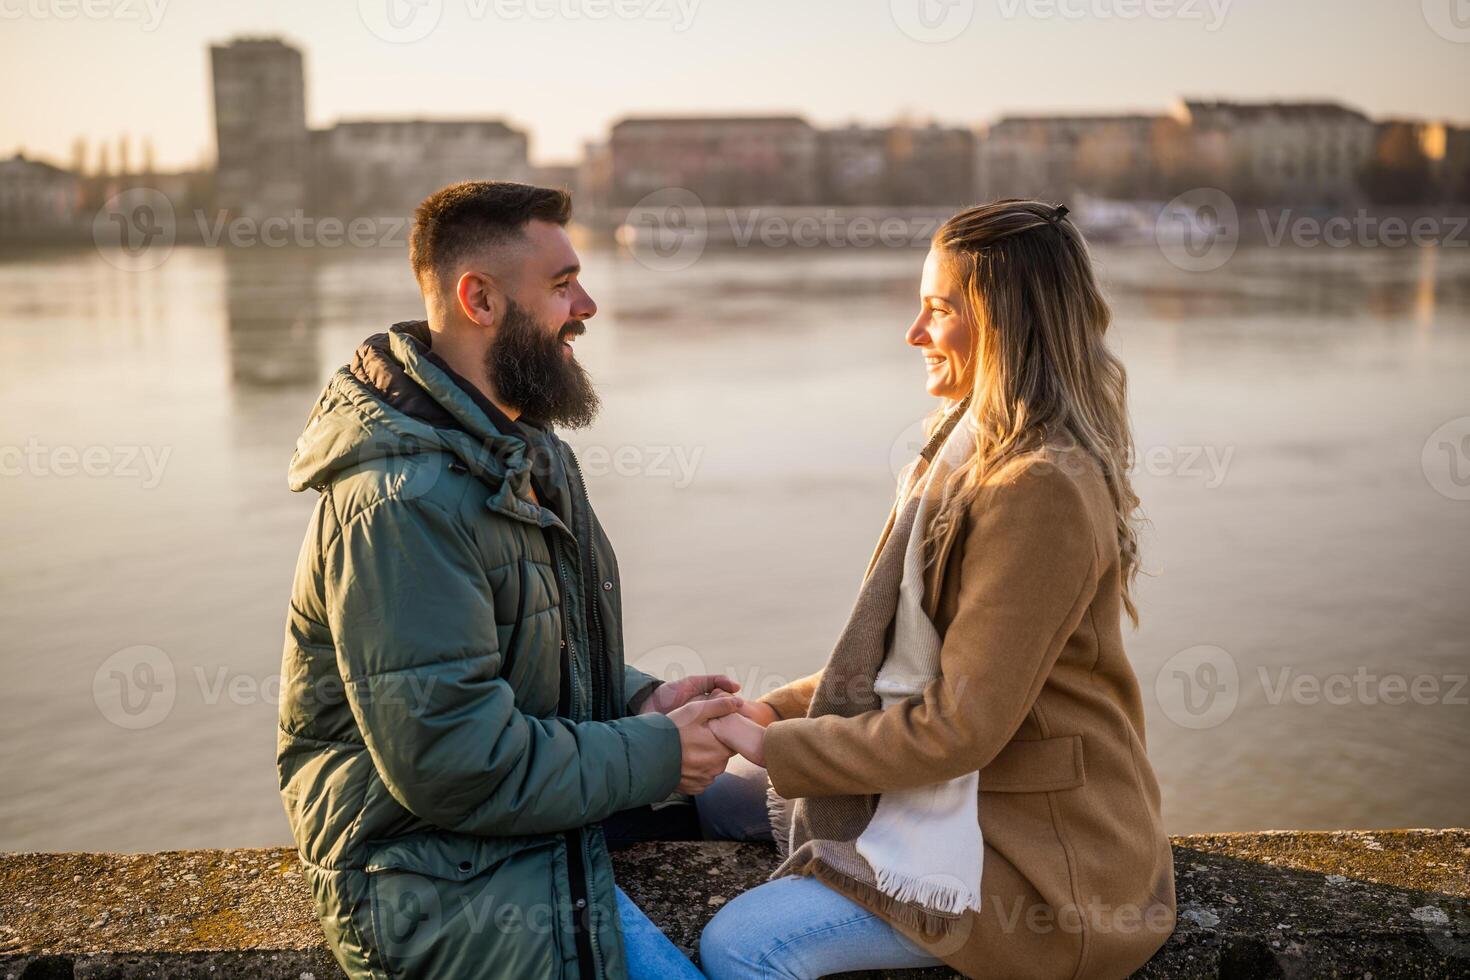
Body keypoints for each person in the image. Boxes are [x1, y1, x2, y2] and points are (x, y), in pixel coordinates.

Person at [700, 200, 1178, 979]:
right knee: (714, 792)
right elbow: (902, 665)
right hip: (968, 798)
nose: (914, 334)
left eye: (938, 310)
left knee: (744, 944)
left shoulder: (1040, 488)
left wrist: (770, 743)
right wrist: (768, 713)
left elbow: (961, 727)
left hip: (1041, 860)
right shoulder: (961, 452)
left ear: (1005, 324)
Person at [276, 180, 740, 980]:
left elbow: (516, 648)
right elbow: (456, 762)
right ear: (480, 299)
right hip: (433, 874)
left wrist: (634, 702)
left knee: (769, 810)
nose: (587, 304)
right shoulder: (399, 504)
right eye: (562, 286)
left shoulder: (515, 448)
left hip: (503, 831)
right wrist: (657, 755)